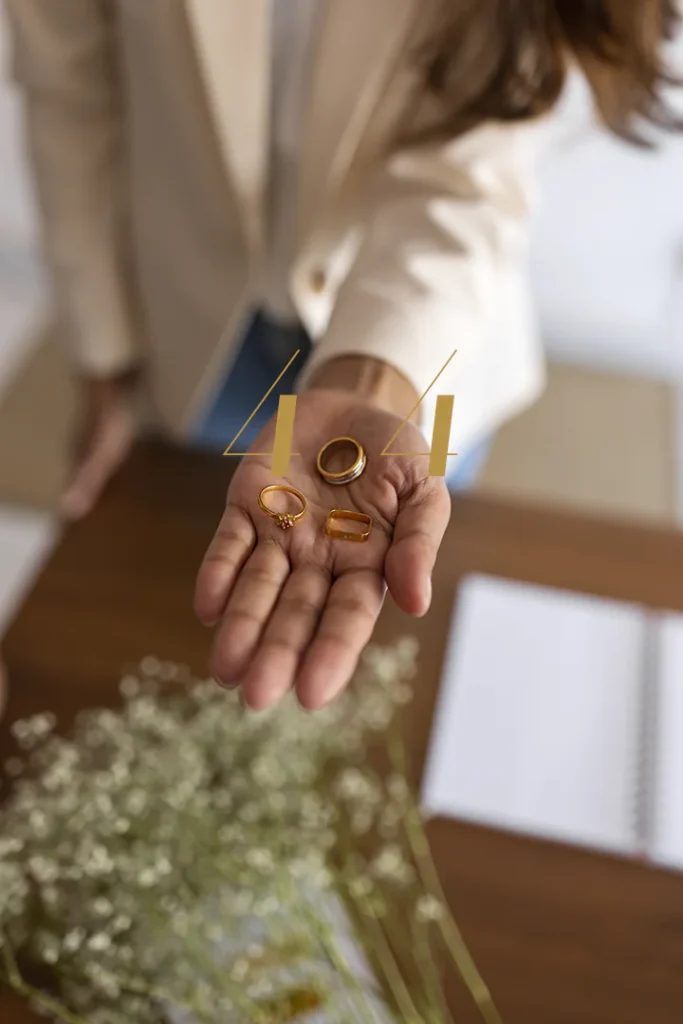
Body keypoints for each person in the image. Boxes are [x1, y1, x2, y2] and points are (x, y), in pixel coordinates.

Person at [4, 0, 679, 713]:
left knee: (395, 572)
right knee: (210, 584)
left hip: (422, 348)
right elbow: (70, 93)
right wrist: (105, 365)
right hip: (199, 318)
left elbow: (460, 189)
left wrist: (373, 383)